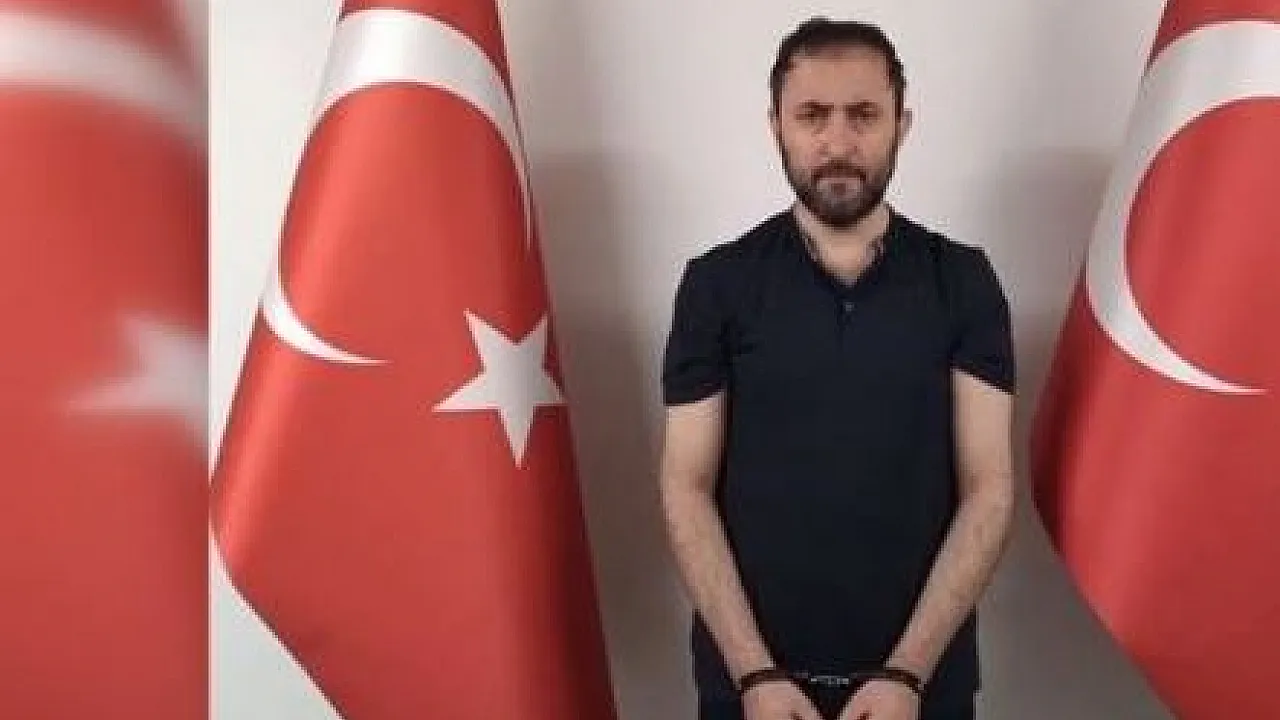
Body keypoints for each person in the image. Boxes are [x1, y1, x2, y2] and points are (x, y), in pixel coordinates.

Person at [658, 17, 1017, 720]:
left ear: (901, 126)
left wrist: (907, 674)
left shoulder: (964, 282)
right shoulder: (715, 285)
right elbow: (685, 485)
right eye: (812, 116)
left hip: (920, 690)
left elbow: (990, 488)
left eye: (863, 115)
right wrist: (754, 674)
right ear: (776, 127)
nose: (838, 142)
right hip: (751, 692)